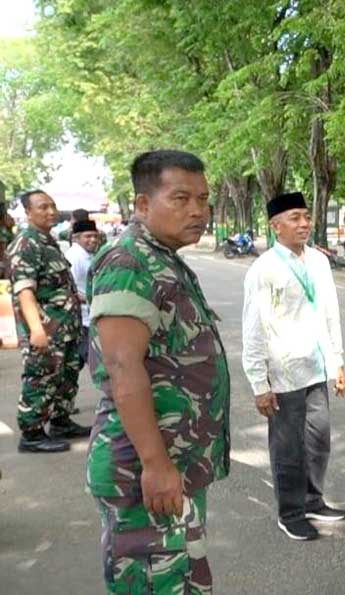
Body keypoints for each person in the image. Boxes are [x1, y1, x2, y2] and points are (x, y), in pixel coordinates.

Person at [85, 150, 229, 593]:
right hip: (143, 470)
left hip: (174, 462)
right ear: (143, 204)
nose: (197, 210)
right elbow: (122, 365)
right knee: (157, 582)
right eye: (181, 198)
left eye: (203, 199)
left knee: (183, 579)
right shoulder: (129, 261)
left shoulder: (161, 257)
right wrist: (155, 464)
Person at [242, 191, 345, 542]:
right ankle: (290, 514)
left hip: (315, 368)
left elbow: (329, 313)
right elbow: (253, 328)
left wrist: (337, 362)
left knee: (318, 441)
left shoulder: (318, 261)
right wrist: (260, 384)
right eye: (294, 218)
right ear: (276, 226)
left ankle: (313, 501)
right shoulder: (264, 269)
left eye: (306, 216)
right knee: (288, 449)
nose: (304, 224)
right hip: (283, 373)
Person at [8, 189, 89, 453]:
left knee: (65, 375)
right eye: (43, 207)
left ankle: (60, 421)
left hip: (64, 328)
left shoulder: (47, 241)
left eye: (53, 206)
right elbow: (25, 291)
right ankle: (31, 434)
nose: (51, 211)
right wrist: (36, 330)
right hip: (46, 328)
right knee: (41, 377)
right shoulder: (26, 244)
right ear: (28, 212)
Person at [65, 219, 101, 365]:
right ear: (76, 238)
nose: (93, 240)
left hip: (90, 317)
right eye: (88, 236)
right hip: (82, 321)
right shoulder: (74, 257)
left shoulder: (88, 255)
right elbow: (68, 289)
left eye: (95, 236)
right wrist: (90, 299)